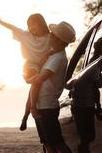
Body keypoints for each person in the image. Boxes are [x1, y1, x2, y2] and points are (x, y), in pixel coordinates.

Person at [0, 11, 53, 131]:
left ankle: (25, 117)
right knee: (36, 82)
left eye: (33, 24)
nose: (30, 28)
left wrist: (48, 54)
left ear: (41, 24)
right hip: (30, 65)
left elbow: (58, 43)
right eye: (29, 25)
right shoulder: (27, 36)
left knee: (33, 90)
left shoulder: (50, 37)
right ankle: (33, 110)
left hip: (42, 66)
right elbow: (13, 27)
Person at [29, 21, 75, 153]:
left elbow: (38, 81)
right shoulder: (55, 56)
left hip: (46, 106)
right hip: (45, 105)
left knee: (56, 143)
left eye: (53, 35)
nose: (50, 36)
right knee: (50, 143)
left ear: (59, 40)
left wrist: (32, 106)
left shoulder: (58, 58)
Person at [72, 35, 102, 153]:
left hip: (85, 104)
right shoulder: (95, 65)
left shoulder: (95, 63)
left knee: (87, 137)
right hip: (83, 105)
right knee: (87, 137)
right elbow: (98, 85)